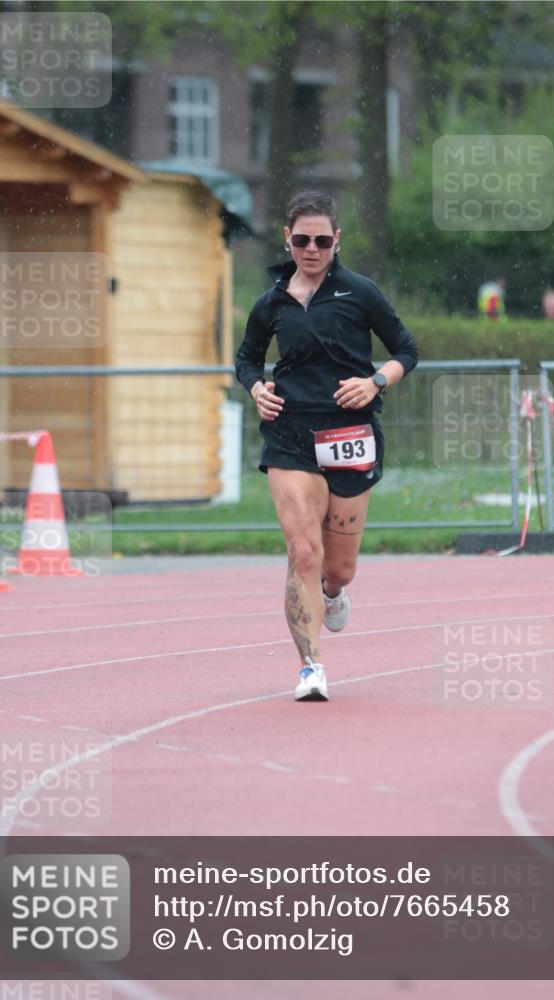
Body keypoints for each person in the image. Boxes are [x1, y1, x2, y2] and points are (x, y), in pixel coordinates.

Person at [235, 191, 419, 702]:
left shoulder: (360, 292)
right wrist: (256, 389)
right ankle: (310, 667)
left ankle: (333, 595)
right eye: (301, 240)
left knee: (337, 569)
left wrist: (376, 381)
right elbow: (247, 359)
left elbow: (407, 349)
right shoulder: (270, 302)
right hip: (290, 436)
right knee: (303, 551)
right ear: (287, 241)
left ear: (336, 240)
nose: (310, 248)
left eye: (321, 240)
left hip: (350, 436)